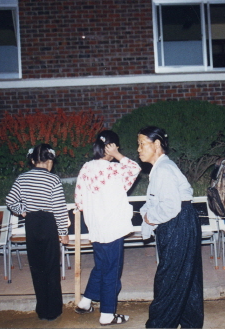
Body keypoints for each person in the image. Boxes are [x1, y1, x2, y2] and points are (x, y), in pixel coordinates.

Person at [137, 126, 204, 328]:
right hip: (183, 221)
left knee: (169, 280)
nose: (138, 149)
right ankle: (190, 322)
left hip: (177, 223)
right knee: (186, 277)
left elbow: (170, 206)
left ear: (156, 145)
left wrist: (149, 218)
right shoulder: (161, 168)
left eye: (142, 144)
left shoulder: (164, 169)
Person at [73, 130, 141, 325]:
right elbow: (135, 168)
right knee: (112, 270)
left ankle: (85, 302)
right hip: (113, 227)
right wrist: (118, 156)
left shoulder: (86, 167)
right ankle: (107, 314)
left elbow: (79, 199)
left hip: (96, 226)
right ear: (112, 147)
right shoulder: (115, 169)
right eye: (116, 147)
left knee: (101, 266)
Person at [6, 143, 69, 321]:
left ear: (33, 160)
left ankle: (42, 310)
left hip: (32, 223)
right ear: (49, 160)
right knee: (51, 267)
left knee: (37, 267)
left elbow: (10, 200)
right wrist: (63, 232)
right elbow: (59, 208)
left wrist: (23, 211)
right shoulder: (53, 179)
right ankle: (53, 310)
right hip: (48, 223)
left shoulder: (22, 178)